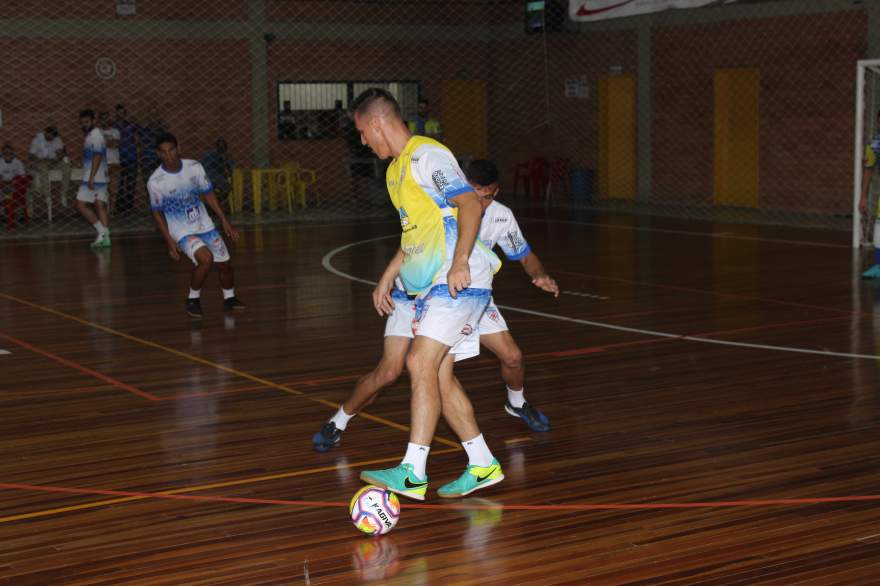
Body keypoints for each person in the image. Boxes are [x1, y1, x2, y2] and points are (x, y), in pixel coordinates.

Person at [312, 159, 558, 453]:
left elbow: (524, 254)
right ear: (462, 185)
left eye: (488, 196)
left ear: (496, 192)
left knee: (513, 357)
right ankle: (338, 421)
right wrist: (387, 278)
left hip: (466, 296)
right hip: (414, 296)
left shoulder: (502, 217)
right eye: (475, 194)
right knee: (390, 372)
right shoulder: (441, 207)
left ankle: (515, 404)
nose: (481, 202)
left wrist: (539, 274)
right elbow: (410, 245)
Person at [352, 88, 503, 501]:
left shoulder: (427, 157)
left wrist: (458, 262)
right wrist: (388, 274)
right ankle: (483, 464)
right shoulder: (394, 172)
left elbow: (469, 204)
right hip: (433, 282)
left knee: (418, 360)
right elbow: (416, 233)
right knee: (437, 374)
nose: (363, 140)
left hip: (458, 278)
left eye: (363, 131)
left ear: (379, 123)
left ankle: (413, 471)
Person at [147, 132, 245, 319]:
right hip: (181, 230)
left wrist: (224, 220)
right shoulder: (155, 181)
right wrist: (169, 241)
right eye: (164, 152)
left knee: (225, 266)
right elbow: (156, 213)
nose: (169, 156)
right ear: (158, 154)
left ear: (179, 149)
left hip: (204, 225)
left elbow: (208, 193)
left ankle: (230, 298)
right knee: (206, 260)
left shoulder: (194, 167)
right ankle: (192, 299)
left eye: (172, 150)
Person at [75, 109, 111, 247]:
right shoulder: (92, 135)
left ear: (93, 121)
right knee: (100, 205)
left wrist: (91, 177)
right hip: (100, 175)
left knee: (80, 205)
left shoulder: (95, 135)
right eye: (82, 123)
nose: (84, 125)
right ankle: (105, 239)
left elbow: (97, 156)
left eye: (87, 122)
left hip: (95, 177)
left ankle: (102, 232)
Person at [28, 125, 70, 205]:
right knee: (43, 170)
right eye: (49, 136)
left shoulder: (57, 139)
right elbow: (30, 156)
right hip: (41, 161)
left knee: (67, 165)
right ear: (45, 133)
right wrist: (39, 159)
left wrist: (60, 156)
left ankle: (63, 194)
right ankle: (47, 196)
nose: (51, 138)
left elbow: (61, 152)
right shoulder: (37, 140)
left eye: (53, 137)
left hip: (53, 161)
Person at [114, 104, 139, 215]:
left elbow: (137, 138)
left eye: (122, 112)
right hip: (118, 159)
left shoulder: (131, 125)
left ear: (125, 113)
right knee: (119, 184)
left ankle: (129, 208)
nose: (120, 115)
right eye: (118, 112)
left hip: (132, 157)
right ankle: (119, 208)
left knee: (130, 183)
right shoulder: (113, 127)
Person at [0, 144, 33, 229]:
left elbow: (22, 177)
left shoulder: (18, 163)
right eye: (5, 153)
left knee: (28, 192)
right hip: (3, 185)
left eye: (10, 153)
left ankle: (25, 216)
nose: (8, 155)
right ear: (2, 154)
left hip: (15, 186)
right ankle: (4, 216)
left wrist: (13, 183)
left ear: (13, 153)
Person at [200, 138, 234, 208]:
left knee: (227, 188)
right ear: (216, 147)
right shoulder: (210, 155)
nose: (221, 148)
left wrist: (225, 161)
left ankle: (214, 203)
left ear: (226, 148)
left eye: (222, 147)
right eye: (219, 146)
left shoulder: (227, 157)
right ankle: (214, 204)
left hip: (218, 178)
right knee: (224, 188)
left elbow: (230, 172)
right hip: (208, 177)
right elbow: (201, 164)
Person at [98, 111, 121, 212]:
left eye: (106, 118)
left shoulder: (115, 131)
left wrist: (105, 143)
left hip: (114, 162)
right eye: (102, 118)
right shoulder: (97, 131)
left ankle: (112, 208)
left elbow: (115, 145)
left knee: (114, 187)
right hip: (101, 163)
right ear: (100, 120)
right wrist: (109, 142)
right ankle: (102, 208)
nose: (105, 120)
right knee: (101, 187)